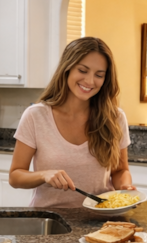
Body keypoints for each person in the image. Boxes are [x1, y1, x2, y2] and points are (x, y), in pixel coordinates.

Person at [8, 37, 133, 207]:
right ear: (67, 68)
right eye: (82, 70)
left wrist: (125, 187)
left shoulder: (115, 118)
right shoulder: (35, 116)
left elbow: (120, 170)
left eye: (99, 75)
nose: (90, 81)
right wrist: (43, 175)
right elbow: (15, 176)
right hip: (49, 217)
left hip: (99, 216)